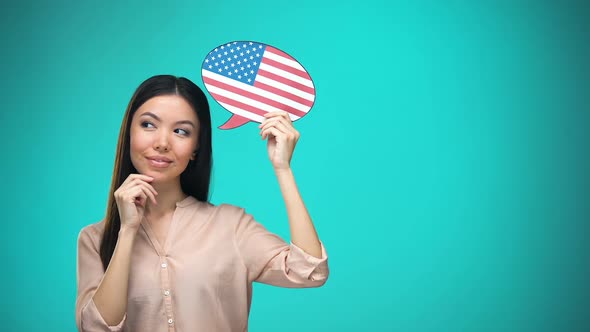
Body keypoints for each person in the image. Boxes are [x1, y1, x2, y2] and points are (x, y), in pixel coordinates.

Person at [75, 75, 329, 331]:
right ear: (129, 132)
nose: (162, 143)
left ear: (196, 147)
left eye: (181, 131)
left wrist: (282, 168)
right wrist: (127, 231)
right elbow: (95, 328)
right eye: (148, 125)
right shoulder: (95, 239)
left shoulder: (231, 226)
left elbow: (309, 270)